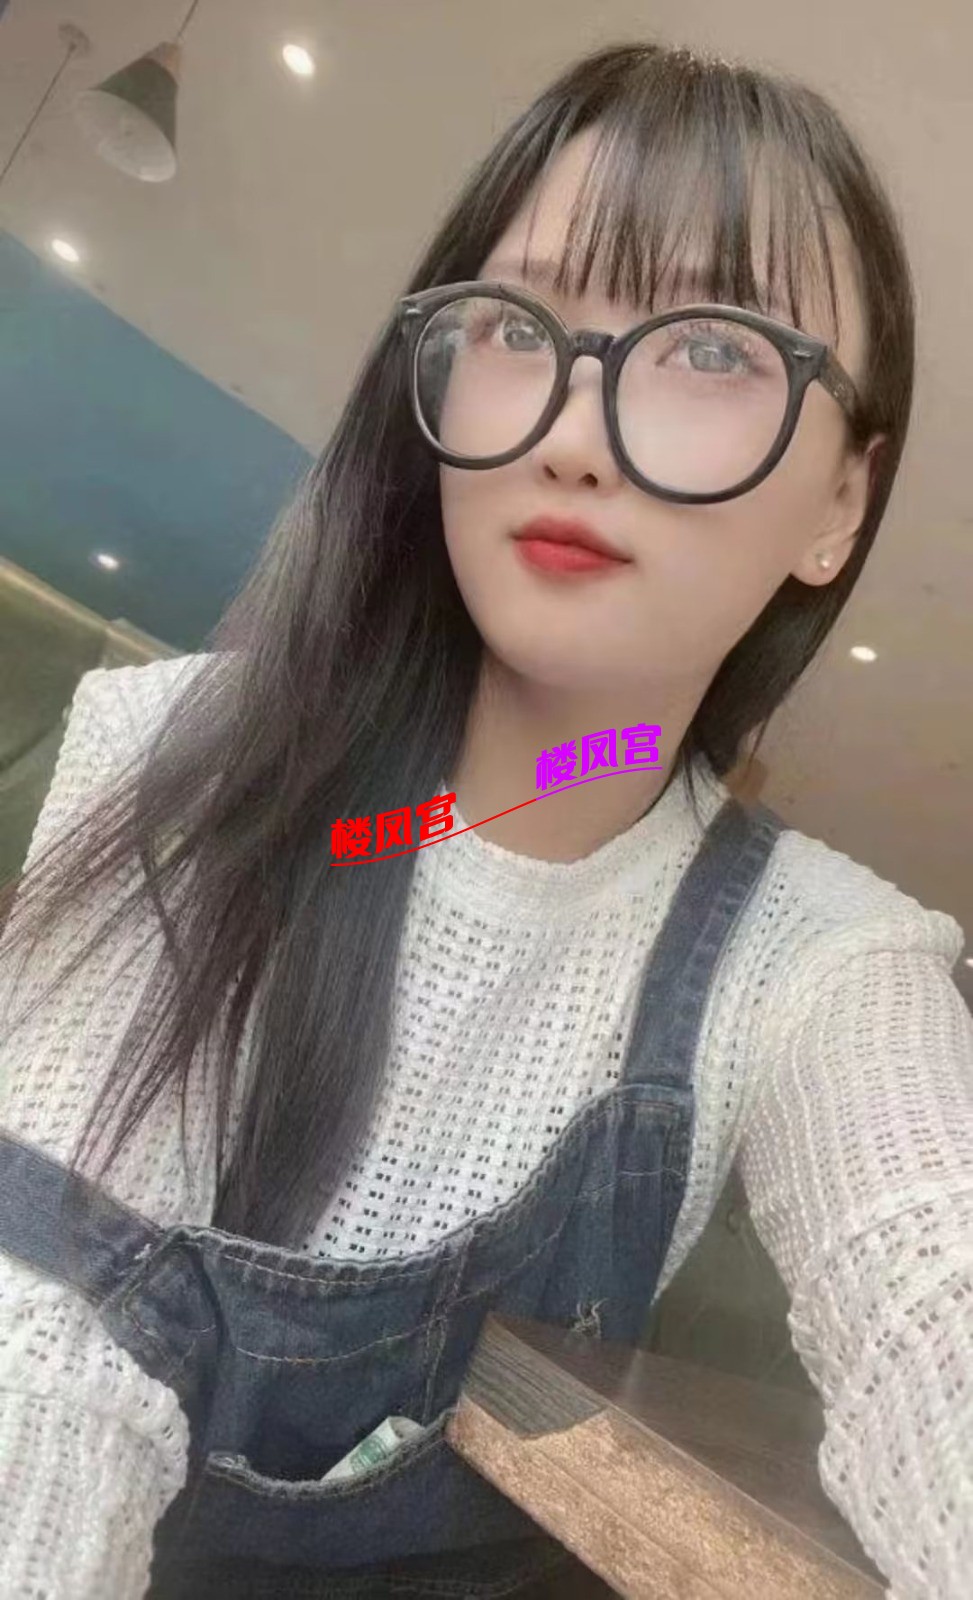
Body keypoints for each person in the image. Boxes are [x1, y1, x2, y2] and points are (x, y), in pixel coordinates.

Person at [0, 35, 970, 1600]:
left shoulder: (818, 958)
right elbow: (32, 1350)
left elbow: (937, 1298)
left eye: (711, 350)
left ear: (841, 504)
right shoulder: (170, 756)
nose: (573, 433)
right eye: (519, 326)